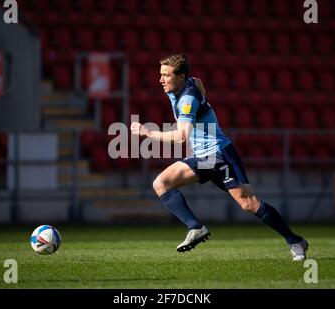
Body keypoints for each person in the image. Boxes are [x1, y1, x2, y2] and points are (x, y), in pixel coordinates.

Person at [130, 54, 308, 261]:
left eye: (165, 75)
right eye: (160, 74)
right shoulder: (184, 85)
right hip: (203, 157)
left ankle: (295, 241)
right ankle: (196, 228)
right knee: (161, 183)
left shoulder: (187, 99)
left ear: (180, 76)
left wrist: (147, 133)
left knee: (249, 204)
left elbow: (181, 137)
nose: (160, 80)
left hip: (219, 154)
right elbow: (199, 82)